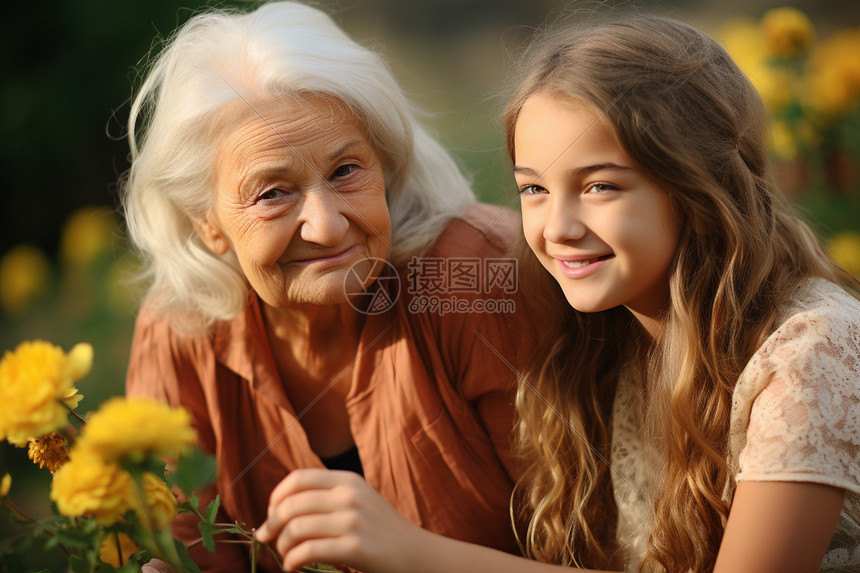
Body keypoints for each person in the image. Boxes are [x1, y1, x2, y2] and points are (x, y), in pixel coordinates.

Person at [252, 14, 860, 573]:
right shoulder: (600, 343)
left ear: (697, 186)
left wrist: (414, 552)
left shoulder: (809, 351)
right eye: (534, 190)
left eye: (599, 187)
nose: (557, 228)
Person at [122, 2, 537, 571]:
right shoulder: (180, 331)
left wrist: (411, 555)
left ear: (384, 163)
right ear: (208, 225)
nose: (328, 225)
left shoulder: (478, 279)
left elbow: (593, 552)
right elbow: (186, 550)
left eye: (345, 171)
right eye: (273, 193)